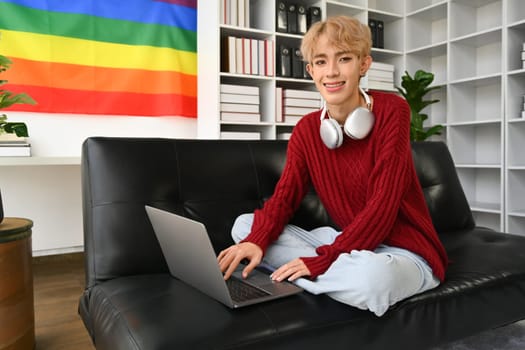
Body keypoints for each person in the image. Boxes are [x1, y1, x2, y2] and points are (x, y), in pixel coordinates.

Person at [217, 15, 448, 317]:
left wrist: (322, 261)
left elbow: (383, 204)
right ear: (311, 70)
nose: (332, 72)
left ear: (364, 64)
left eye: (345, 59)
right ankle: (322, 273)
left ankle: (298, 276)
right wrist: (258, 240)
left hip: (403, 253)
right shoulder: (306, 130)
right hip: (349, 245)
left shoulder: (393, 110)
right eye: (322, 62)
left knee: (371, 280)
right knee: (245, 228)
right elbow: (284, 199)